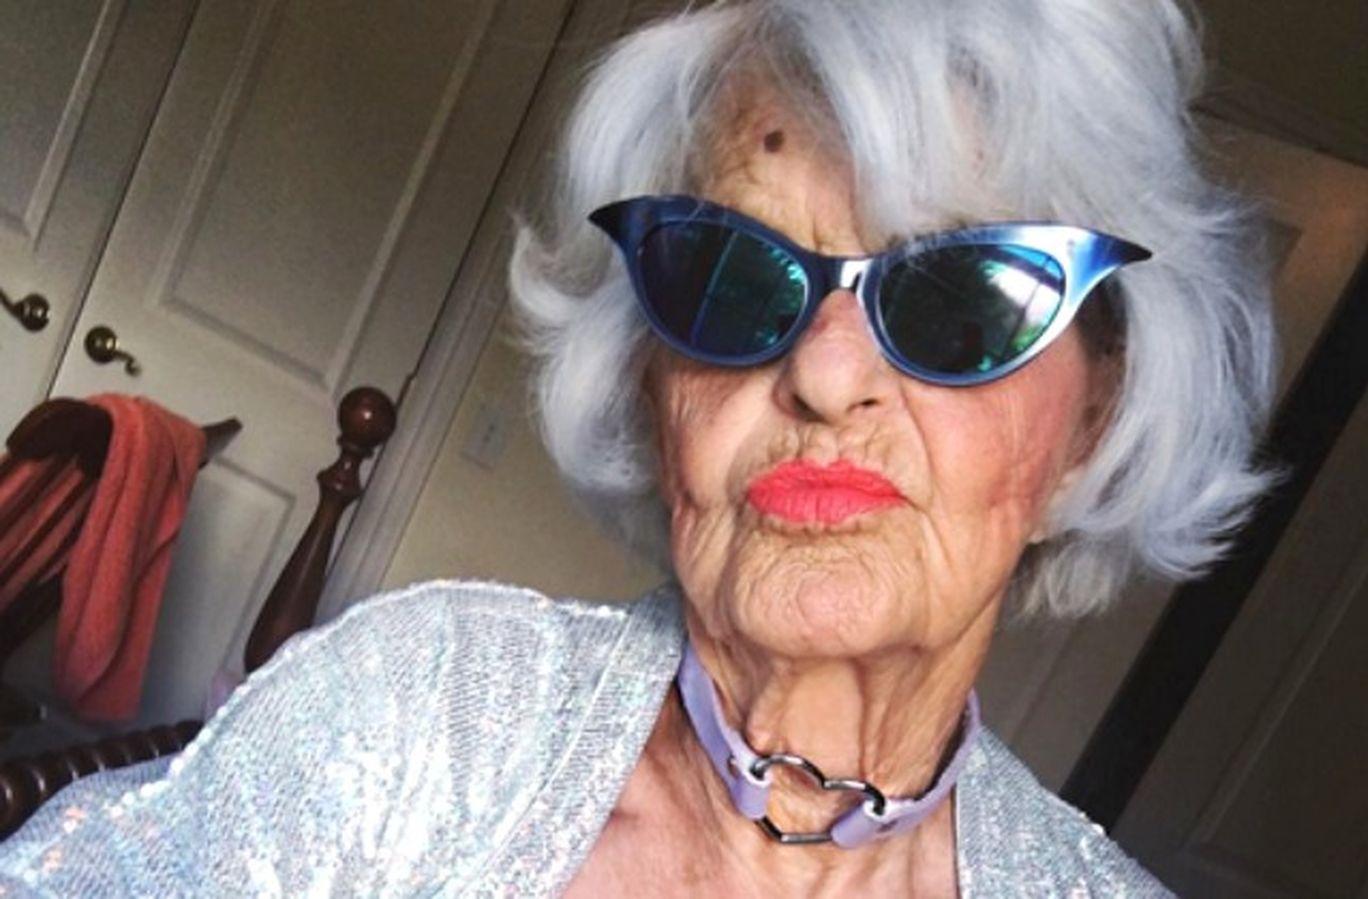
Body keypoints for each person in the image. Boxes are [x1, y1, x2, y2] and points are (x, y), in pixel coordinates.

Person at [0, 0, 1275, 894]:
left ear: (1092, 422)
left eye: (960, 298)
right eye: (731, 276)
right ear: (650, 381)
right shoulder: (413, 710)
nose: (825, 373)